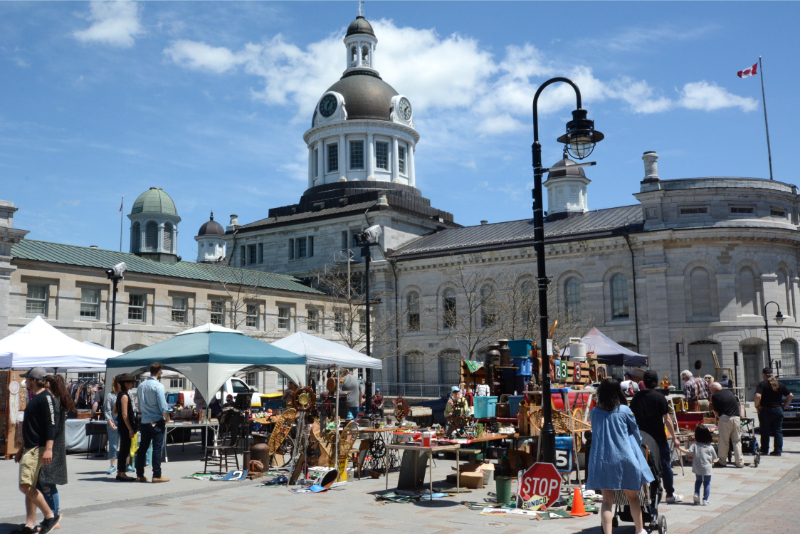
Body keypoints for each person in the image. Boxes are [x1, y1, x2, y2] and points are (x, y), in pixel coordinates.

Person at [586, 379, 654, 534]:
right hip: (625, 458)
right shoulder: (624, 410)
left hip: (603, 459)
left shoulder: (594, 412)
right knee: (633, 498)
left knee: (607, 501)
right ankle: (639, 530)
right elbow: (636, 434)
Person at [12, 367, 60, 534]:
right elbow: (32, 427)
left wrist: (49, 449)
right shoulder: (37, 398)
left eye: (27, 379)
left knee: (25, 486)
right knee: (30, 486)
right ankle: (30, 524)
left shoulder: (45, 398)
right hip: (29, 448)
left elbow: (50, 425)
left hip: (36, 449)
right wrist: (21, 448)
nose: (26, 381)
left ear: (33, 380)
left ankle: (49, 516)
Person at [630, 370, 683, 503]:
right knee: (665, 465)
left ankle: (641, 493)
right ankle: (670, 494)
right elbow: (668, 419)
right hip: (658, 438)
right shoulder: (660, 398)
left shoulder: (636, 397)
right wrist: (674, 437)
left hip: (640, 438)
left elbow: (632, 417)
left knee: (640, 464)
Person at [37, 375, 73, 528]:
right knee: (43, 481)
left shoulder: (55, 403)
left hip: (52, 447)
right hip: (54, 446)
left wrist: (48, 447)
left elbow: (51, 427)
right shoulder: (58, 401)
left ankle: (54, 514)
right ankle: (51, 514)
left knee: (47, 482)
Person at [136, 362, 170, 483]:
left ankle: (139, 474)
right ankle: (157, 474)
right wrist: (167, 416)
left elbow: (139, 405)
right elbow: (162, 405)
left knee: (143, 448)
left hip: (144, 420)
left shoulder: (141, 386)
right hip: (156, 420)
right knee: (156, 448)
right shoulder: (158, 386)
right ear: (159, 371)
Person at [754, 367, 793, 456]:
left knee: (765, 430)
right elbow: (790, 395)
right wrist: (785, 406)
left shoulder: (762, 384)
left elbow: (757, 396)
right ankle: (778, 450)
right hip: (778, 409)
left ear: (764, 375)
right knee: (778, 430)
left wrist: (757, 406)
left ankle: (764, 449)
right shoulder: (779, 384)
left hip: (766, 410)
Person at [676, 425, 717, 506]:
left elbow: (688, 452)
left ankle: (696, 494)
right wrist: (711, 462)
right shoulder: (710, 447)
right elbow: (714, 457)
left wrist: (679, 448)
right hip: (707, 468)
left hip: (697, 467)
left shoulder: (695, 445)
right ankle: (705, 500)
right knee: (707, 483)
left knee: (698, 481)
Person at [710, 381, 744, 468]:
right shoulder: (729, 392)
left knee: (724, 441)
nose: (711, 392)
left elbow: (716, 412)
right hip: (736, 418)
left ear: (714, 389)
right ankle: (739, 462)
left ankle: (722, 461)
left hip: (725, 418)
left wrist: (717, 416)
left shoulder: (715, 396)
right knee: (736, 441)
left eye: (711, 390)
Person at [114, 374, 137, 482]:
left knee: (123, 449)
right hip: (125, 427)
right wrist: (130, 429)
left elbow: (115, 410)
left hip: (123, 426)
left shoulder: (120, 395)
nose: (133, 384)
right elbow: (124, 415)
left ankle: (120, 472)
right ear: (126, 383)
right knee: (124, 449)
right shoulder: (124, 396)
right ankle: (122, 473)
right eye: (131, 382)